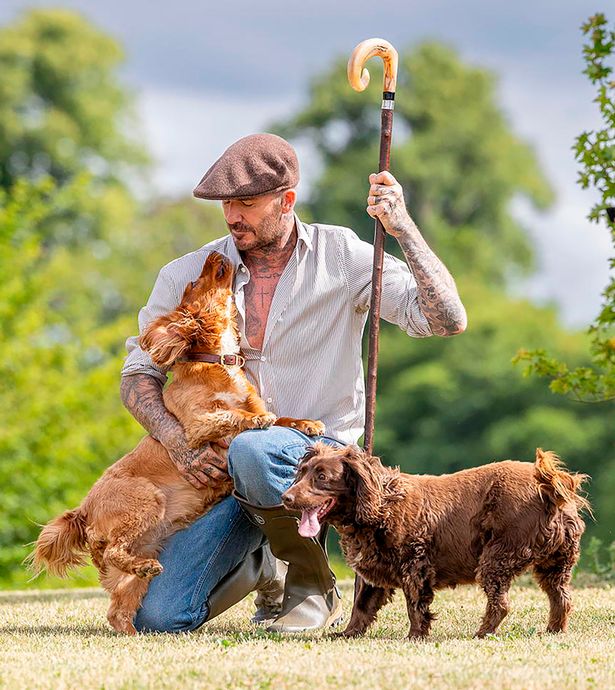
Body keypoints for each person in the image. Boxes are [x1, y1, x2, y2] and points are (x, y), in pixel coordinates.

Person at [120, 133, 467, 634]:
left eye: (247, 203)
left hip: (321, 456)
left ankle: (310, 583)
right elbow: (138, 374)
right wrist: (178, 445)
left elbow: (445, 319)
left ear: (286, 201)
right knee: (158, 617)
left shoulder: (344, 255)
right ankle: (266, 563)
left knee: (256, 451)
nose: (232, 215)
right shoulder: (185, 274)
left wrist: (404, 228)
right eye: (227, 204)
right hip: (222, 470)